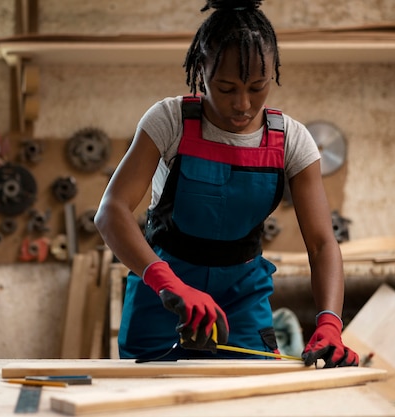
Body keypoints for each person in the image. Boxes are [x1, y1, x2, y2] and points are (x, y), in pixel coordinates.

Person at [94, 0, 359, 368]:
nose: (243, 104)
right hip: (164, 295)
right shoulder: (169, 121)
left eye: (257, 87)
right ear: (200, 70)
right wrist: (168, 284)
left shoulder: (292, 140)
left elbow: (321, 242)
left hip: (243, 300)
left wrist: (330, 321)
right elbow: (111, 212)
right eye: (226, 87)